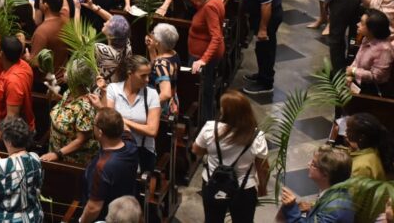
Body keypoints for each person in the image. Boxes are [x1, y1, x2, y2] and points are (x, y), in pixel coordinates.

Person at [191, 91, 268, 223]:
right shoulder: (256, 136)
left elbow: (196, 150)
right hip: (244, 189)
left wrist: (212, 151)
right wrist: (262, 187)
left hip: (213, 184)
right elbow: (263, 167)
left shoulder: (211, 129)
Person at [233, 0, 283, 94]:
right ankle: (262, 75)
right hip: (271, 13)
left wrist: (262, 29)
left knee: (266, 49)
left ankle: (266, 83)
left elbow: (266, 3)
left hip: (268, 17)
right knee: (262, 49)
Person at [79, 108, 140, 223]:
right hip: (125, 214)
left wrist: (82, 221)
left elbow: (94, 207)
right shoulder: (131, 144)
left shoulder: (102, 167)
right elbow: (125, 127)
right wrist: (102, 108)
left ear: (100, 132)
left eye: (94, 124)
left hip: (107, 218)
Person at [102, 55, 160, 172]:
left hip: (142, 150)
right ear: (130, 73)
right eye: (143, 76)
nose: (147, 80)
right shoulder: (113, 89)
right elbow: (109, 122)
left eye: (148, 75)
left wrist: (122, 120)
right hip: (116, 147)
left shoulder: (151, 94)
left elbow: (152, 131)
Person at [0, 116, 44, 222]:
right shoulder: (35, 158)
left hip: (5, 219)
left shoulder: (1, 166)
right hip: (33, 217)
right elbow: (18, 174)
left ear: (9, 142)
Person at [42, 58, 99, 166]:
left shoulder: (85, 106)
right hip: (56, 152)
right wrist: (57, 96)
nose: (64, 73)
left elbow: (81, 140)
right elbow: (69, 107)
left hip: (71, 162)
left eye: (68, 71)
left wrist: (57, 154)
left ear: (76, 79)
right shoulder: (70, 92)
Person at [186, 0, 226, 124]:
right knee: (205, 88)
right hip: (201, 53)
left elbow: (216, 37)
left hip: (202, 56)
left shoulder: (210, 7)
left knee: (204, 90)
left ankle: (205, 123)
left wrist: (203, 60)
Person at [279, 146, 354, 223]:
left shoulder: (333, 212)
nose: (308, 164)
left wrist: (291, 208)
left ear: (325, 174)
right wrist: (312, 209)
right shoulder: (337, 190)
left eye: (313, 164)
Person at [0, 37, 35, 150]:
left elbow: (12, 118)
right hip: (11, 129)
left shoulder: (13, 82)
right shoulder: (23, 65)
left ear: (1, 53)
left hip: (14, 137)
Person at [346, 9, 393, 94]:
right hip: (359, 82)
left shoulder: (385, 50)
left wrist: (353, 71)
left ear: (372, 29)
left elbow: (377, 77)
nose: (357, 24)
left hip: (372, 90)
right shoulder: (365, 38)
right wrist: (350, 75)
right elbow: (357, 60)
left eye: (362, 23)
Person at [345, 112, 394, 180]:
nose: (345, 133)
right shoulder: (374, 150)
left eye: (348, 130)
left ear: (361, 137)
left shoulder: (361, 167)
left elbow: (353, 190)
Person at [147, 23, 180, 117]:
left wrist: (147, 107)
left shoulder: (161, 64)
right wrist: (151, 50)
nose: (151, 35)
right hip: (173, 103)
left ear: (158, 42)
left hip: (161, 109)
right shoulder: (173, 53)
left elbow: (165, 94)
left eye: (153, 33)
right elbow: (157, 68)